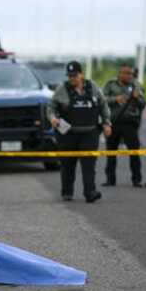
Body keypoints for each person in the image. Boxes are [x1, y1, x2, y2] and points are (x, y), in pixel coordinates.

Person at [47, 61, 112, 203]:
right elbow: (51, 107)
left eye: (74, 75)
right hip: (68, 134)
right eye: (69, 76)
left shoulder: (92, 87)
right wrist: (53, 118)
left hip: (89, 133)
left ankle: (90, 192)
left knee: (89, 165)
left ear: (81, 74)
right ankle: (67, 192)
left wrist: (107, 123)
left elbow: (103, 106)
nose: (72, 78)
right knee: (67, 164)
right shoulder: (62, 89)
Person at [102, 64, 146, 187]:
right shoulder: (110, 84)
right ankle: (110, 180)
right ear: (119, 74)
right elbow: (102, 100)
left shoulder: (136, 85)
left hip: (130, 123)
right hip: (114, 122)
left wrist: (137, 98)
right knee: (111, 152)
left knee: (134, 152)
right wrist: (115, 99)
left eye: (130, 73)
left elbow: (143, 104)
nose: (129, 76)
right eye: (126, 73)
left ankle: (136, 179)